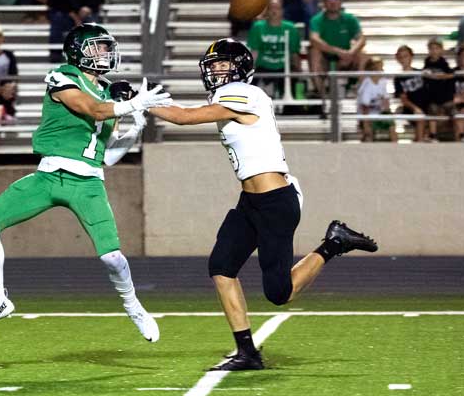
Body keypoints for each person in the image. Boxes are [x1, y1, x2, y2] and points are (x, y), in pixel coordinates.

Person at [149, 38, 377, 371]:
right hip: (251, 202)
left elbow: (184, 118)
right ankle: (247, 352)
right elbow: (184, 113)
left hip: (275, 203)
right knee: (221, 267)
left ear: (239, 68)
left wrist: (138, 103)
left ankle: (333, 244)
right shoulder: (227, 97)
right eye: (211, 65)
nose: (214, 70)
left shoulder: (246, 93)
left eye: (221, 64)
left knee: (279, 293)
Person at [0, 23, 172, 341]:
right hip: (49, 175)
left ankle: (133, 306)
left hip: (88, 182)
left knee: (112, 258)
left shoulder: (107, 96)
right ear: (79, 51)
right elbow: (87, 108)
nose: (105, 53)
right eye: (98, 47)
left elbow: (110, 155)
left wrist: (135, 127)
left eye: (106, 48)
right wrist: (131, 105)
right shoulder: (62, 76)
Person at [309, 0, 367, 96]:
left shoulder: (350, 19)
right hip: (326, 56)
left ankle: (360, 92)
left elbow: (361, 39)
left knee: (363, 54)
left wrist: (351, 52)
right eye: (330, 0)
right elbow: (314, 39)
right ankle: (321, 94)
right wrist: (337, 51)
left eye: (336, 0)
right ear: (324, 3)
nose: (333, 3)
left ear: (340, 2)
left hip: (346, 56)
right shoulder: (317, 20)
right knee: (314, 52)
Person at [246, 0, 300, 98]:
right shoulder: (258, 27)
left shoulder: (291, 28)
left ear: (282, 11)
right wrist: (249, 70)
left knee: (293, 82)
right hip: (263, 66)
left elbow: (294, 53)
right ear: (267, 11)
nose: (274, 11)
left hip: (284, 66)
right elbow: (254, 52)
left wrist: (298, 70)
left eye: (277, 8)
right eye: (272, 8)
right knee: (249, 84)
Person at [357, 57, 397, 142]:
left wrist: (387, 111)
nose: (382, 70)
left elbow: (386, 101)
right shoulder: (367, 84)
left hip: (379, 113)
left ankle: (396, 148)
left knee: (391, 124)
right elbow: (365, 107)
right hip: (366, 116)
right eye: (380, 68)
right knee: (369, 133)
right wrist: (366, 125)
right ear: (373, 70)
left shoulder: (382, 82)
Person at [394, 45, 429, 142]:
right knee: (419, 117)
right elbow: (403, 99)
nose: (404, 59)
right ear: (397, 59)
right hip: (411, 107)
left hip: (425, 105)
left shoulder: (420, 73)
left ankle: (424, 138)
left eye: (406, 56)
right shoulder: (398, 78)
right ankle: (420, 142)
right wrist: (415, 108)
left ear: (411, 57)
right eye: (401, 57)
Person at [422, 37, 454, 142]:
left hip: (444, 95)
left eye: (437, 48)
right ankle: (432, 135)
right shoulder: (427, 62)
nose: (434, 51)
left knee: (454, 112)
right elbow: (425, 75)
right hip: (432, 96)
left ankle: (459, 134)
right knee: (432, 110)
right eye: (432, 48)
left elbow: (450, 75)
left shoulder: (443, 62)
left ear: (441, 50)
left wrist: (437, 76)